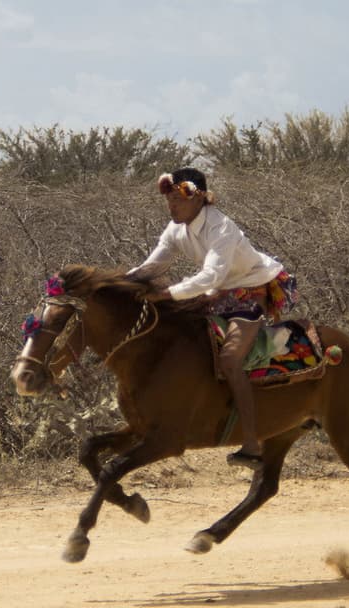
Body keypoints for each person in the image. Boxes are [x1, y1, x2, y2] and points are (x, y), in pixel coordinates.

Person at [128, 167, 297, 472]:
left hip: (249, 291)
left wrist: (167, 294)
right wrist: (116, 284)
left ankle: (252, 444)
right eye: (169, 200)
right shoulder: (175, 228)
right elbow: (153, 266)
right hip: (216, 293)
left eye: (178, 200)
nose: (172, 206)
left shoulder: (222, 227)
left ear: (199, 198)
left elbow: (211, 276)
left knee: (230, 359)